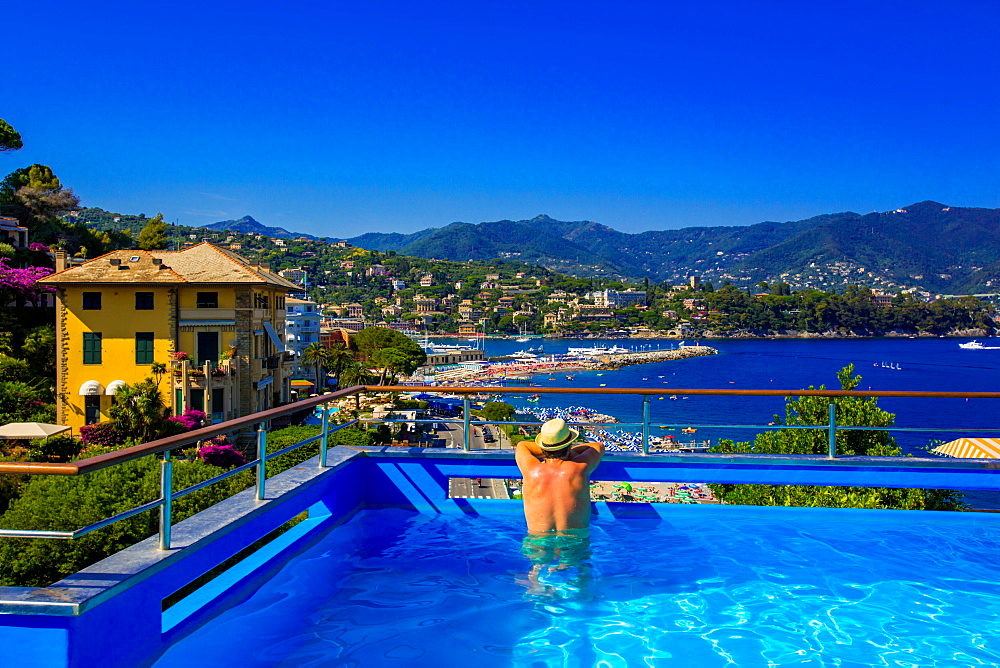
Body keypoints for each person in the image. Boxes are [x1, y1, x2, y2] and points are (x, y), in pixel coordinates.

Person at [515, 418, 604, 598]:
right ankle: (582, 600)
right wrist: (571, 453)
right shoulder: (580, 467)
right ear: (569, 445)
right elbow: (598, 446)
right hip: (574, 538)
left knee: (536, 570)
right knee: (581, 573)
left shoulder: (531, 469)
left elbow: (522, 445)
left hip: (538, 539)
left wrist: (550, 450)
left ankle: (537, 592)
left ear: (545, 447)